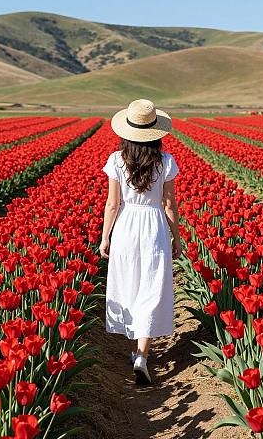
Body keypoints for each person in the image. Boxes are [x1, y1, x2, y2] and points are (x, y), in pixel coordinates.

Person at [99, 99, 182, 385]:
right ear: (156, 132)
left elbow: (112, 204)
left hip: (126, 225)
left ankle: (135, 352)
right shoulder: (166, 161)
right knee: (150, 287)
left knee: (129, 285)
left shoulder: (116, 160)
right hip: (154, 226)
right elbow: (169, 204)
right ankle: (143, 356)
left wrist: (105, 235)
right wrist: (177, 237)